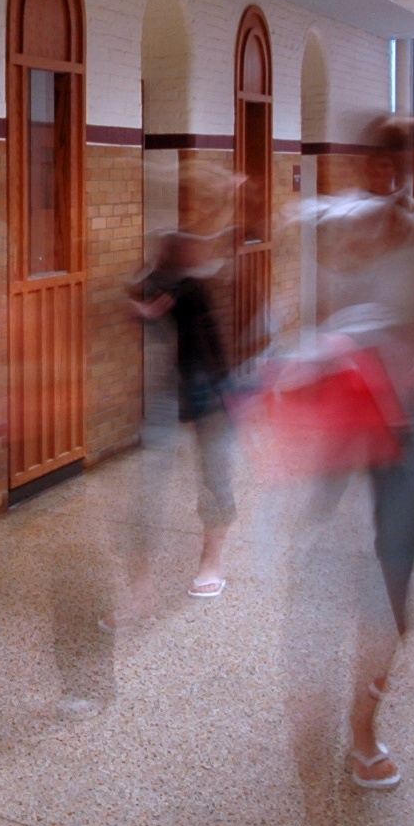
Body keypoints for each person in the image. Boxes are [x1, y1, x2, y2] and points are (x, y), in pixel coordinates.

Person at [287, 115, 414, 803]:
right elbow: (305, 291)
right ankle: (378, 644)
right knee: (329, 562)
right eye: (378, 157)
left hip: (413, 426)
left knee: (392, 572)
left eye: (402, 158)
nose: (389, 171)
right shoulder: (336, 225)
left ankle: (363, 725)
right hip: (345, 423)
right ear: (364, 162)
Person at [130, 225, 236, 597]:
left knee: (214, 476)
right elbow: (134, 296)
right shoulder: (158, 280)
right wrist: (139, 309)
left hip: (210, 389)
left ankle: (212, 562)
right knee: (149, 483)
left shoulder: (199, 283)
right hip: (168, 390)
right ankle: (140, 586)